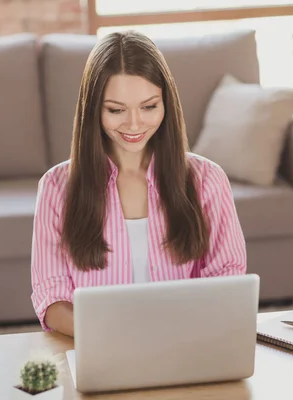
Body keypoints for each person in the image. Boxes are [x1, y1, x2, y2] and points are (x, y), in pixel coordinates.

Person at [30, 30, 246, 337]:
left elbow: (228, 279)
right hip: (100, 348)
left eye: (149, 106)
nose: (134, 125)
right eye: (116, 110)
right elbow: (51, 297)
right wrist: (117, 336)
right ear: (94, 110)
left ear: (166, 103)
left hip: (187, 343)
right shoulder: (56, 187)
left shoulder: (206, 180)